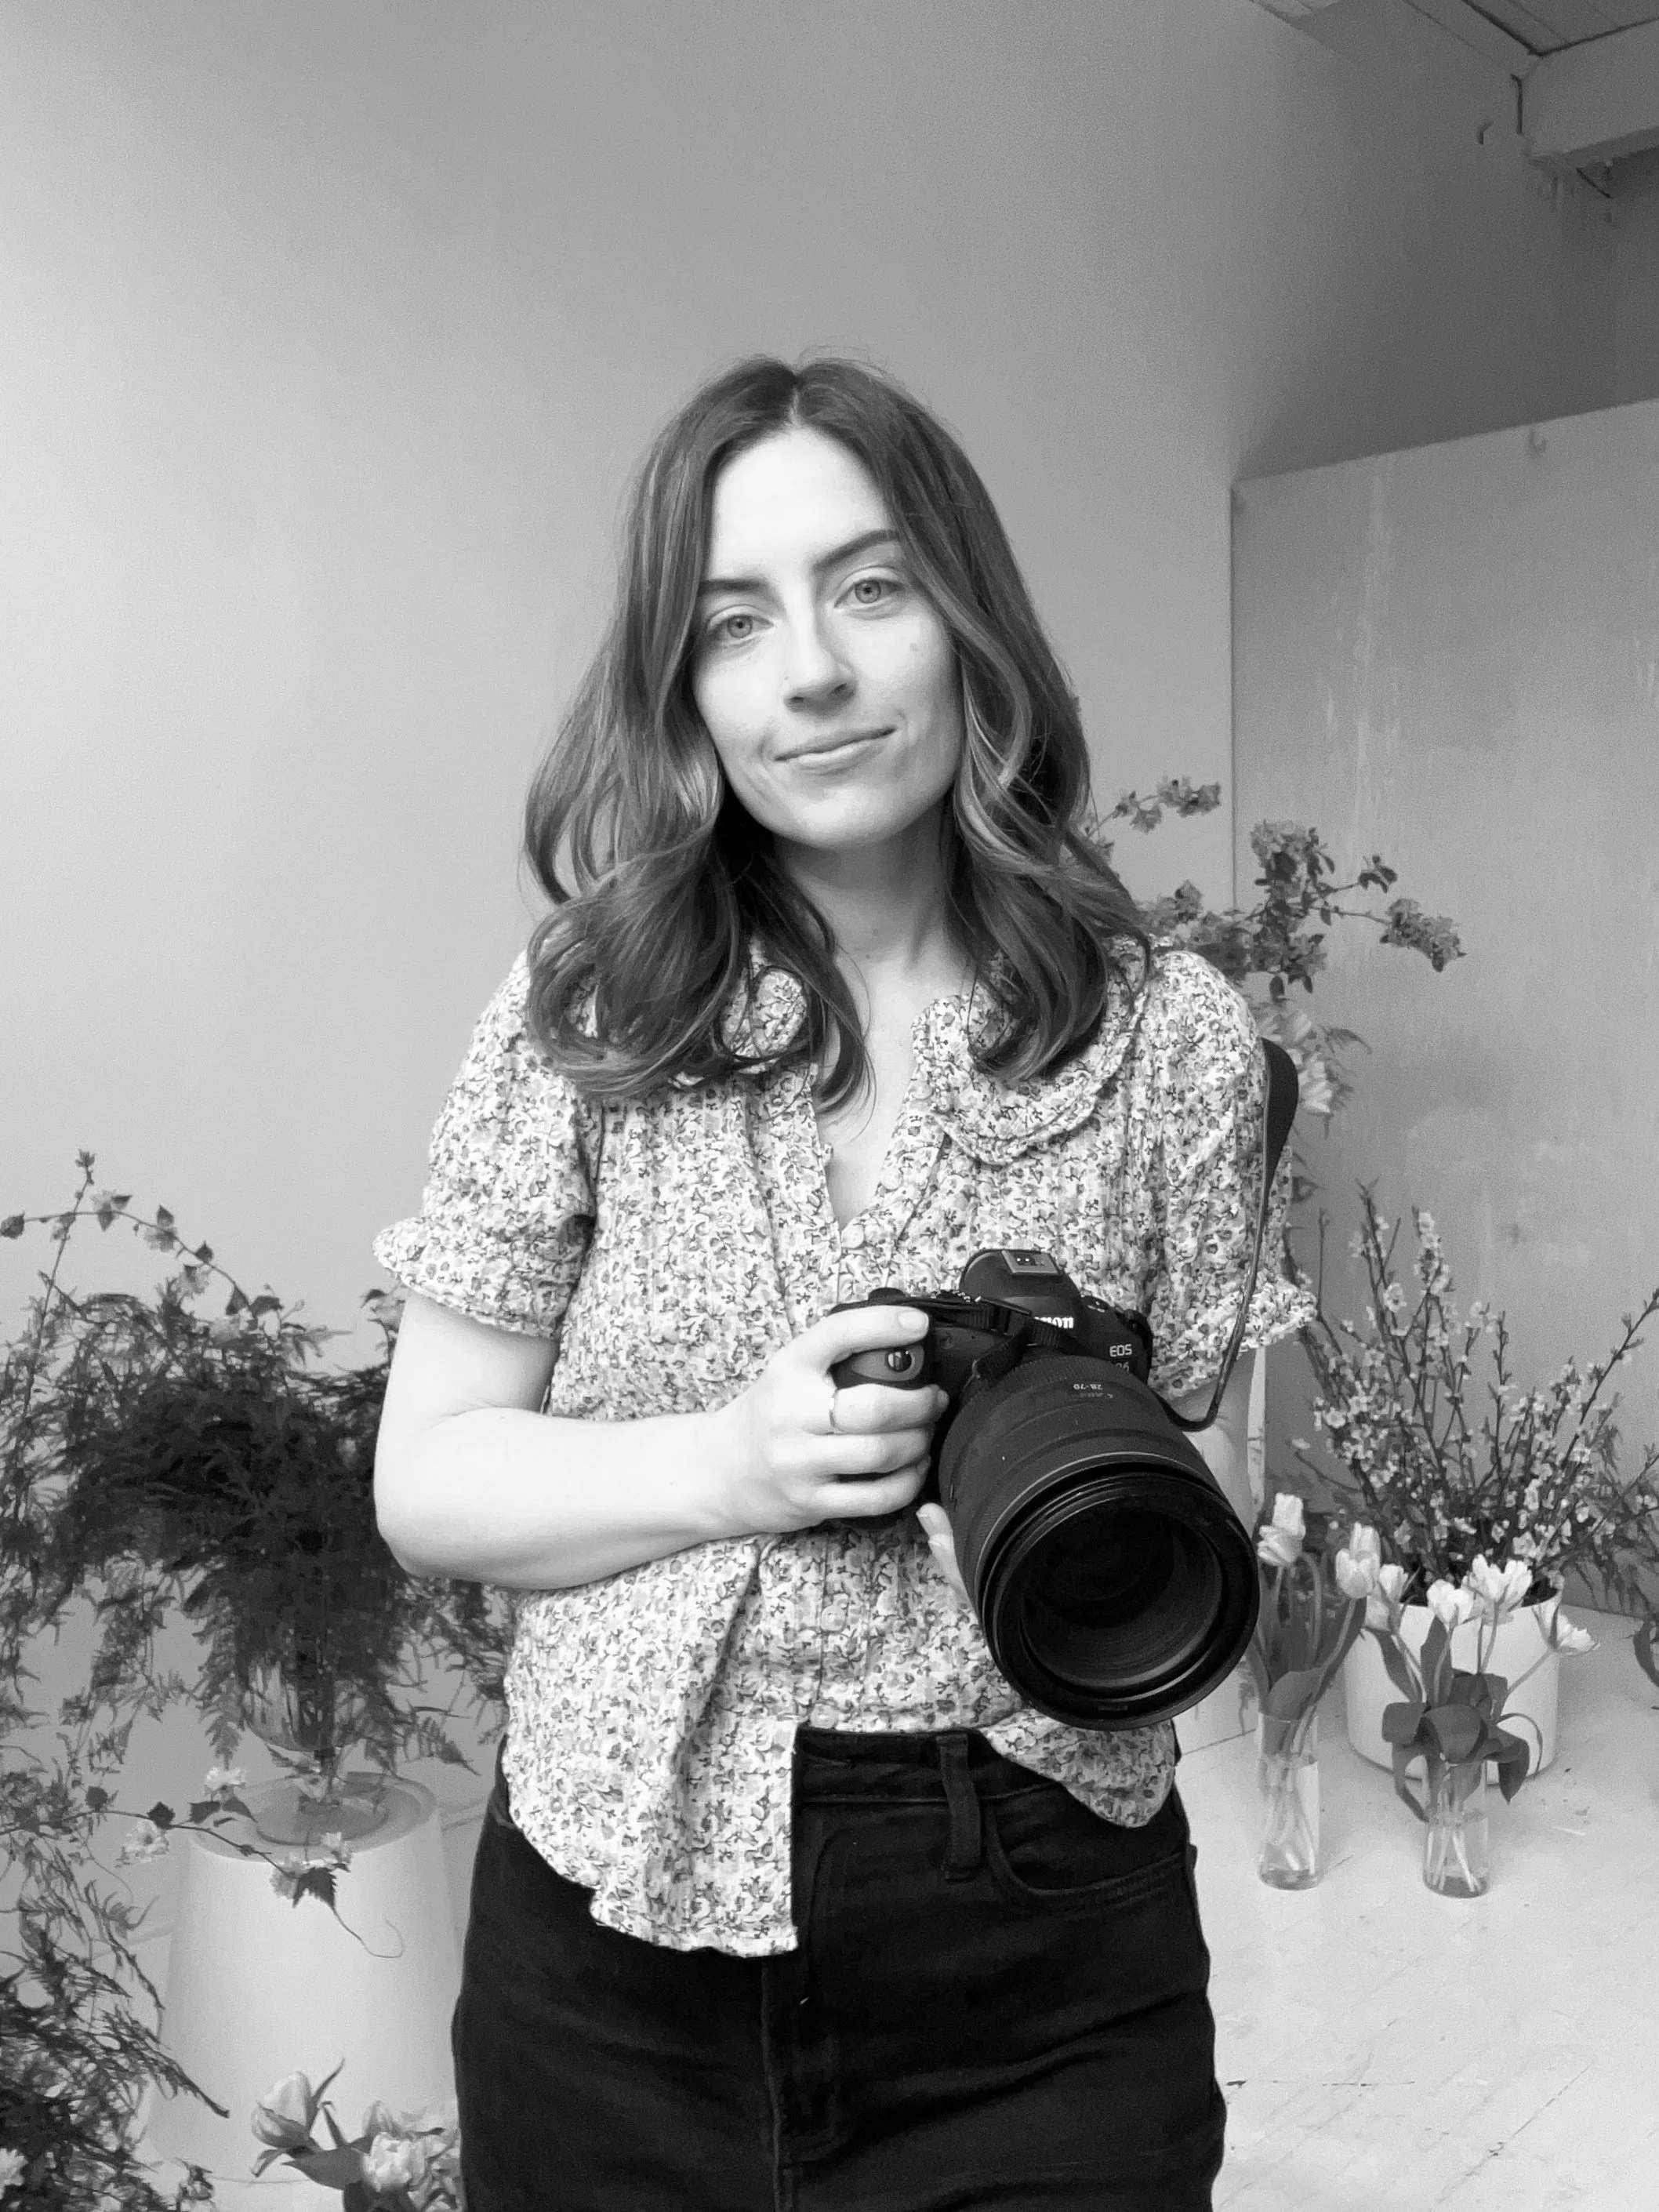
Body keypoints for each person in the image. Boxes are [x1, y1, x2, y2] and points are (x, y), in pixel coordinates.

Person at [371, 352, 1313, 2212]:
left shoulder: (1175, 1045)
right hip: (611, 1929)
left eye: (868, 588)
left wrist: (1078, 1487)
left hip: (1042, 1928)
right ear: (685, 688)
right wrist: (728, 1463)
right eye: (732, 622)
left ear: (967, 623)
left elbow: (1238, 1498)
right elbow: (430, 1479)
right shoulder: (587, 1014)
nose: (807, 669)